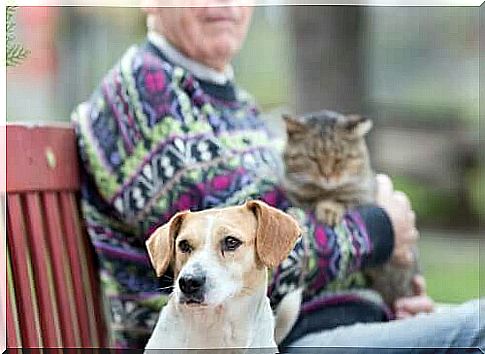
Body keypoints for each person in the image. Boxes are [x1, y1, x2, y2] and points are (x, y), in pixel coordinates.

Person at [72, 3, 483, 352]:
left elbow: (277, 232)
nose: (225, 5)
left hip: (302, 320)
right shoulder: (145, 95)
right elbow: (249, 257)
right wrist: (381, 229)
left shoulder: (229, 97)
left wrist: (398, 295)